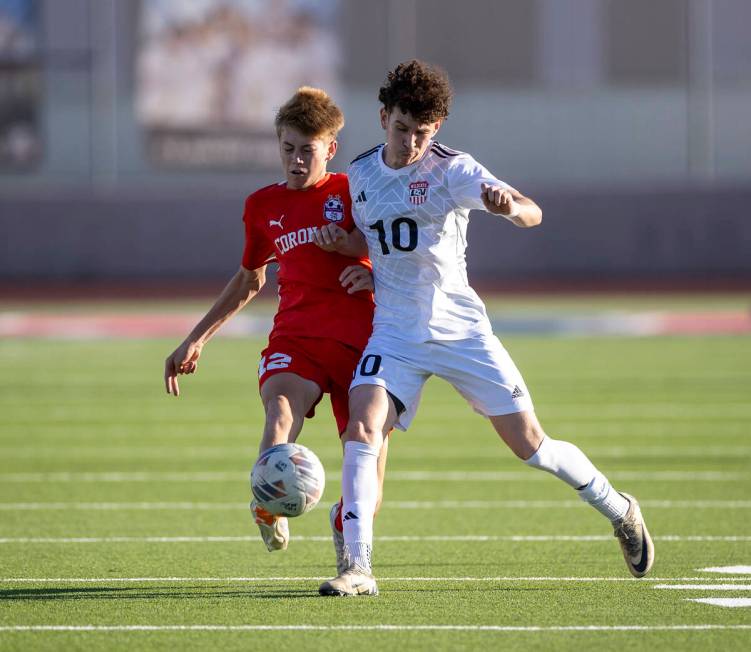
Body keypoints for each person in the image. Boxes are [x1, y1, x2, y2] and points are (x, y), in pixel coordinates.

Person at [318, 60, 654, 597]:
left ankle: (619, 509)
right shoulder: (359, 174)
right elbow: (379, 237)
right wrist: (354, 253)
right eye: (401, 128)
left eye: (421, 133)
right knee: (363, 426)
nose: (409, 143)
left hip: (462, 333)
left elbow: (532, 211)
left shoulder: (454, 170)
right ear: (383, 117)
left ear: (438, 129)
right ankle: (358, 568)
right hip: (395, 334)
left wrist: (509, 210)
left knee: (532, 445)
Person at [163, 87, 388, 572]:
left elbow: (401, 254)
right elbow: (249, 279)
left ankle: (345, 527)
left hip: (364, 345)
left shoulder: (358, 191)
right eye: (288, 149)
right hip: (297, 339)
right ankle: (269, 500)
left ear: (330, 148)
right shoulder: (262, 206)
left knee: (366, 489)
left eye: (308, 149)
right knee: (280, 412)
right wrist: (195, 338)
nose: (296, 160)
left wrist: (371, 270)